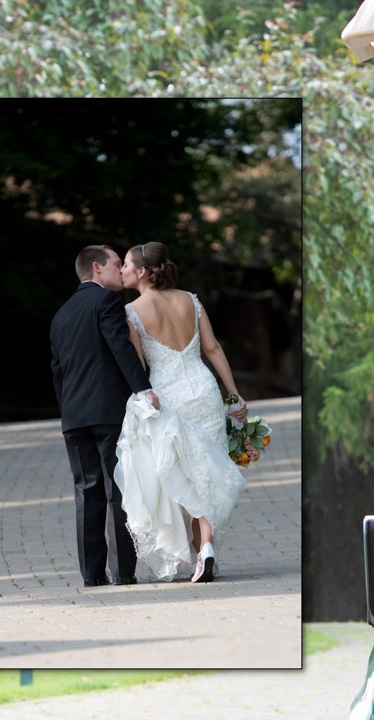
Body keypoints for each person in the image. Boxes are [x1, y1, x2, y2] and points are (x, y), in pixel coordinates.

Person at [113, 242, 249, 583]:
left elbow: (139, 366)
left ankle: (202, 551)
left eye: (126, 265)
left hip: (167, 397)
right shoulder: (191, 299)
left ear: (142, 271)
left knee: (184, 474)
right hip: (203, 391)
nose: (122, 271)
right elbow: (213, 348)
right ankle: (205, 548)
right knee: (208, 470)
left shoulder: (131, 312)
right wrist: (232, 394)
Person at [50, 244, 160, 587]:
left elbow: (58, 371)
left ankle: (92, 575)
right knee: (117, 491)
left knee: (87, 493)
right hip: (108, 412)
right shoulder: (108, 302)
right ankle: (123, 572)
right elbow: (120, 346)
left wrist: (67, 411)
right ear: (97, 268)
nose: (120, 270)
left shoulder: (61, 314)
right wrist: (143, 390)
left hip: (74, 417)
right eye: (116, 264)